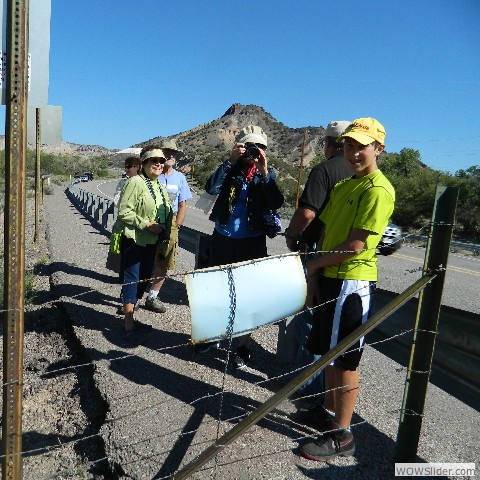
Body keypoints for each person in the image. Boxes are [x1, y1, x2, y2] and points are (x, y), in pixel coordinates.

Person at [298, 118, 395, 461]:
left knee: (346, 360)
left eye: (361, 146)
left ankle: (343, 433)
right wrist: (313, 275)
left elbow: (355, 245)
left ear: (378, 149)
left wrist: (313, 266)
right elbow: (324, 232)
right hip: (328, 277)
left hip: (350, 283)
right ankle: (326, 413)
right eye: (349, 145)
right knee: (328, 353)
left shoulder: (378, 190)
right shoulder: (345, 187)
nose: (353, 153)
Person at [196, 126, 284, 369]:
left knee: (249, 297)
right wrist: (229, 162)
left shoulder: (268, 174)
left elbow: (276, 201)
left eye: (260, 147)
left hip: (252, 241)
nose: (255, 151)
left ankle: (243, 346)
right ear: (240, 148)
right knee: (219, 291)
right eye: (250, 146)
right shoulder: (231, 168)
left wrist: (265, 174)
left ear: (265, 150)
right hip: (223, 237)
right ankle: (214, 337)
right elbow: (211, 189)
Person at [283, 121, 351, 401]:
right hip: (344, 258)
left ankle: (303, 390)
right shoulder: (360, 173)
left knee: (309, 317)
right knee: (330, 324)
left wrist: (291, 234)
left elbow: (307, 213)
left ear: (329, 144)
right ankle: (322, 388)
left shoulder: (324, 170)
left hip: (318, 253)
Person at [116, 147, 172, 340]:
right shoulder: (135, 182)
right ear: (144, 164)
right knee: (132, 279)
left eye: (161, 161)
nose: (158, 164)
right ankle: (128, 326)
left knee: (144, 278)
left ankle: (131, 317)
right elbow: (124, 212)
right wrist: (146, 224)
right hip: (135, 239)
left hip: (151, 242)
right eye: (153, 160)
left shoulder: (160, 187)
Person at [144, 139, 192, 313]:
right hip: (149, 219)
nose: (171, 155)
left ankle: (152, 297)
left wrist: (176, 225)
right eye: (167, 152)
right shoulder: (151, 173)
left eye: (174, 153)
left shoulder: (180, 178)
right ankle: (130, 299)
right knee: (143, 257)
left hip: (170, 222)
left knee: (164, 261)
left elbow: (182, 204)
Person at [109, 156, 141, 278]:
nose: (126, 169)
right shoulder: (123, 182)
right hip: (123, 222)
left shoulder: (144, 183)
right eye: (125, 166)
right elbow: (117, 201)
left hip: (137, 223)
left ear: (137, 167)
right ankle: (122, 276)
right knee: (120, 250)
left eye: (129, 167)